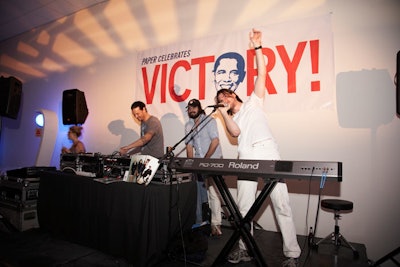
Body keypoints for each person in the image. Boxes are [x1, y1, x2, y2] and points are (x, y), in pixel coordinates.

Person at [215, 29, 301, 266]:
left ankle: (292, 255)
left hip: (267, 152)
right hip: (246, 157)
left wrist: (257, 47)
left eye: (226, 94)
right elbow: (234, 133)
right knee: (243, 209)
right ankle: (245, 249)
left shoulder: (254, 101)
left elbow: (262, 72)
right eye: (220, 98)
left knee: (281, 204)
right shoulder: (231, 118)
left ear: (234, 93)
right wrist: (223, 114)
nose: (224, 97)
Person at [185, 98, 223, 236]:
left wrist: (205, 160)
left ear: (199, 108)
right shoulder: (188, 125)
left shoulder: (209, 121)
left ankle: (216, 225)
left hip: (213, 161)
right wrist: (190, 164)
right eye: (189, 108)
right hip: (199, 165)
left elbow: (215, 140)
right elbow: (189, 146)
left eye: (194, 108)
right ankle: (200, 222)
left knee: (213, 193)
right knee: (199, 194)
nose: (192, 110)